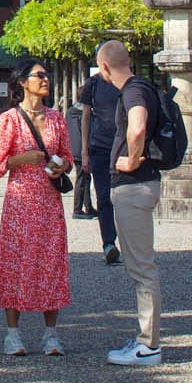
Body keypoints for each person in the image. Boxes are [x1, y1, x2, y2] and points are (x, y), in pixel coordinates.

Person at [0, 60, 72, 356]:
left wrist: (62, 167)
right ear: (22, 82)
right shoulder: (8, 120)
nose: (45, 80)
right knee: (14, 263)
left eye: (46, 75)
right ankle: (12, 334)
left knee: (52, 262)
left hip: (49, 200)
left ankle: (51, 334)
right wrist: (24, 159)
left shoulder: (57, 118)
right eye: (39, 75)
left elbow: (68, 156)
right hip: (21, 202)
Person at [97, 39, 163, 367]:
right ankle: (144, 339)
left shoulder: (133, 91)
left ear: (105, 67)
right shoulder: (142, 87)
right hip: (141, 186)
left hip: (134, 186)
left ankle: (148, 345)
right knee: (140, 266)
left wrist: (130, 160)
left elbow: (136, 128)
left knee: (141, 267)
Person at [79, 61, 122, 264]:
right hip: (100, 147)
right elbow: (86, 117)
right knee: (104, 197)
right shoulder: (92, 83)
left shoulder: (127, 81)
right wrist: (84, 151)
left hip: (124, 147)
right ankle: (109, 243)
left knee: (126, 197)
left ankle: (130, 244)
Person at [64, 98, 94, 218]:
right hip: (82, 149)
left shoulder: (70, 112)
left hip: (73, 147)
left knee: (85, 177)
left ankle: (88, 206)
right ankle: (77, 209)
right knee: (82, 179)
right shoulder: (85, 115)